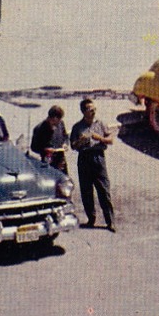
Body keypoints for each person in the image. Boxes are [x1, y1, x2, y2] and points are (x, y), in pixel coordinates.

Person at [70, 99, 116, 231]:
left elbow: (110, 140)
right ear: (84, 112)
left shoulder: (100, 123)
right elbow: (73, 146)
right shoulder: (77, 127)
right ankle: (91, 218)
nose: (94, 111)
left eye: (94, 109)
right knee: (86, 191)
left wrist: (99, 138)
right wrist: (80, 141)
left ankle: (110, 221)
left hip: (98, 158)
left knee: (104, 190)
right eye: (90, 110)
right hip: (84, 159)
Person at [29, 105, 70, 174]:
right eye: (54, 122)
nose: (56, 125)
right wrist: (45, 149)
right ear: (50, 118)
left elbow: (65, 136)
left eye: (58, 122)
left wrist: (65, 144)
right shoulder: (39, 129)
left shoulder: (60, 123)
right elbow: (34, 147)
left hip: (60, 158)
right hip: (48, 160)